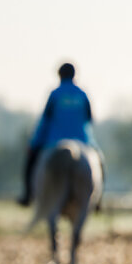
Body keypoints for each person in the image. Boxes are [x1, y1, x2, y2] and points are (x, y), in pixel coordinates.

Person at [18, 62, 101, 206]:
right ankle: (98, 200)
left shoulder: (55, 95)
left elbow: (45, 121)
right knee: (99, 163)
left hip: (53, 142)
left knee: (30, 163)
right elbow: (89, 119)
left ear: (59, 75)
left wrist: (34, 143)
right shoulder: (82, 95)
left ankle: (27, 195)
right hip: (82, 141)